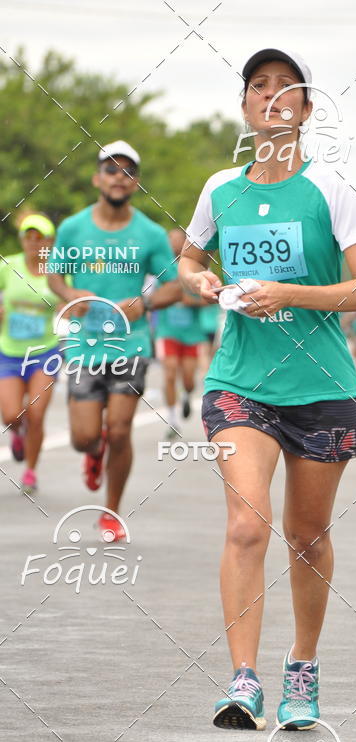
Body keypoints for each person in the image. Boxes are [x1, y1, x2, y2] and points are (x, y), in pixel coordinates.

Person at [179, 48, 356, 731]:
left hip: (321, 386)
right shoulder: (221, 189)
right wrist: (197, 277)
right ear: (244, 107)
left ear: (305, 109)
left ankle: (303, 665)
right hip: (240, 382)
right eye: (258, 86)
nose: (271, 96)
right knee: (247, 525)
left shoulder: (333, 189)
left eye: (285, 87)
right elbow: (190, 254)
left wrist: (290, 293)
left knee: (306, 536)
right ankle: (243, 679)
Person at [47, 140, 180, 540]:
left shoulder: (150, 233)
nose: (119, 178)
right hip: (83, 345)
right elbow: (54, 275)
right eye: (111, 170)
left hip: (130, 344)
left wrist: (146, 302)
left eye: (128, 172)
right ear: (97, 178)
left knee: (120, 430)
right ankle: (94, 451)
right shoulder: (73, 228)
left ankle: (112, 512)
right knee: (84, 437)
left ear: (136, 183)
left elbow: (176, 287)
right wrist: (70, 294)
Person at [0, 214, 63, 492]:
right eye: (28, 237)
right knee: (11, 415)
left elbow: (70, 298)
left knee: (36, 413)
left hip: (44, 353)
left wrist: (68, 308)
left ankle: (30, 471)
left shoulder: (57, 270)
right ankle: (17, 433)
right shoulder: (8, 266)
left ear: (50, 242)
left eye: (40, 238)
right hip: (9, 352)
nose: (33, 243)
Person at [155, 228, 206, 437]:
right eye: (171, 239)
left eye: (179, 239)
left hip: (191, 334)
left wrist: (190, 301)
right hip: (167, 331)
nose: (174, 243)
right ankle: (173, 420)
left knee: (188, 380)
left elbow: (208, 298)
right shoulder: (160, 269)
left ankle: (186, 395)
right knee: (169, 373)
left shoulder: (195, 268)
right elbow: (151, 298)